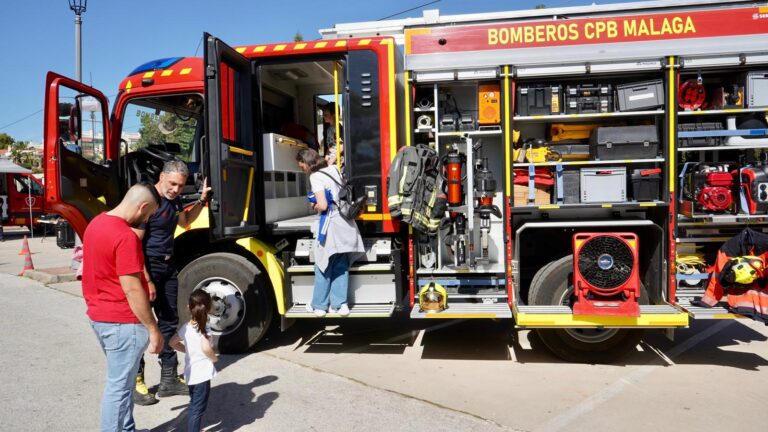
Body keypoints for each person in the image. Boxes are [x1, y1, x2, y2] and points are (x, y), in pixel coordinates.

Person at [82, 182, 162, 432]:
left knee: (124, 384)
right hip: (122, 323)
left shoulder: (96, 223)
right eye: (148, 215)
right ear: (143, 206)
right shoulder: (125, 237)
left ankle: (126, 429)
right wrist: (153, 328)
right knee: (118, 388)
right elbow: (131, 288)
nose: (146, 220)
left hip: (99, 316)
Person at [133, 160, 211, 405]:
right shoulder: (147, 200)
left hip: (168, 266)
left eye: (180, 185)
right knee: (141, 326)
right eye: (172, 183)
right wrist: (146, 279)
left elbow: (185, 221)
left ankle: (168, 379)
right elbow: (134, 244)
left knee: (168, 322)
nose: (176, 189)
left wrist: (201, 200)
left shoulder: (174, 199)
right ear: (161, 176)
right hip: (148, 267)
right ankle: (135, 382)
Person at [296, 149, 364, 317]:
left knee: (322, 264)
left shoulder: (315, 177)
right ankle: (340, 305)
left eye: (302, 164)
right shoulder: (332, 169)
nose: (301, 168)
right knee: (341, 265)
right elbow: (332, 161)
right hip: (345, 224)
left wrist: (314, 205)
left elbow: (323, 205)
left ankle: (319, 306)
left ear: (307, 162)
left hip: (330, 225)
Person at [170, 290, 218, 432]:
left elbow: (172, 343)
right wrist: (214, 358)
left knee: (194, 404)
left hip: (190, 374)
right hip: (202, 376)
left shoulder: (186, 328)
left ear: (188, 307)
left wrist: (187, 350)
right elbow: (206, 348)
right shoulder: (205, 329)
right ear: (208, 308)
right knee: (197, 409)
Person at [322, 102, 344, 167]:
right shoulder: (329, 129)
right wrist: (326, 156)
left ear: (334, 115)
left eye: (326, 115)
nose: (323, 116)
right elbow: (330, 146)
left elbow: (341, 146)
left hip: (338, 161)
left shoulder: (338, 128)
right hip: (331, 159)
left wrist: (332, 160)